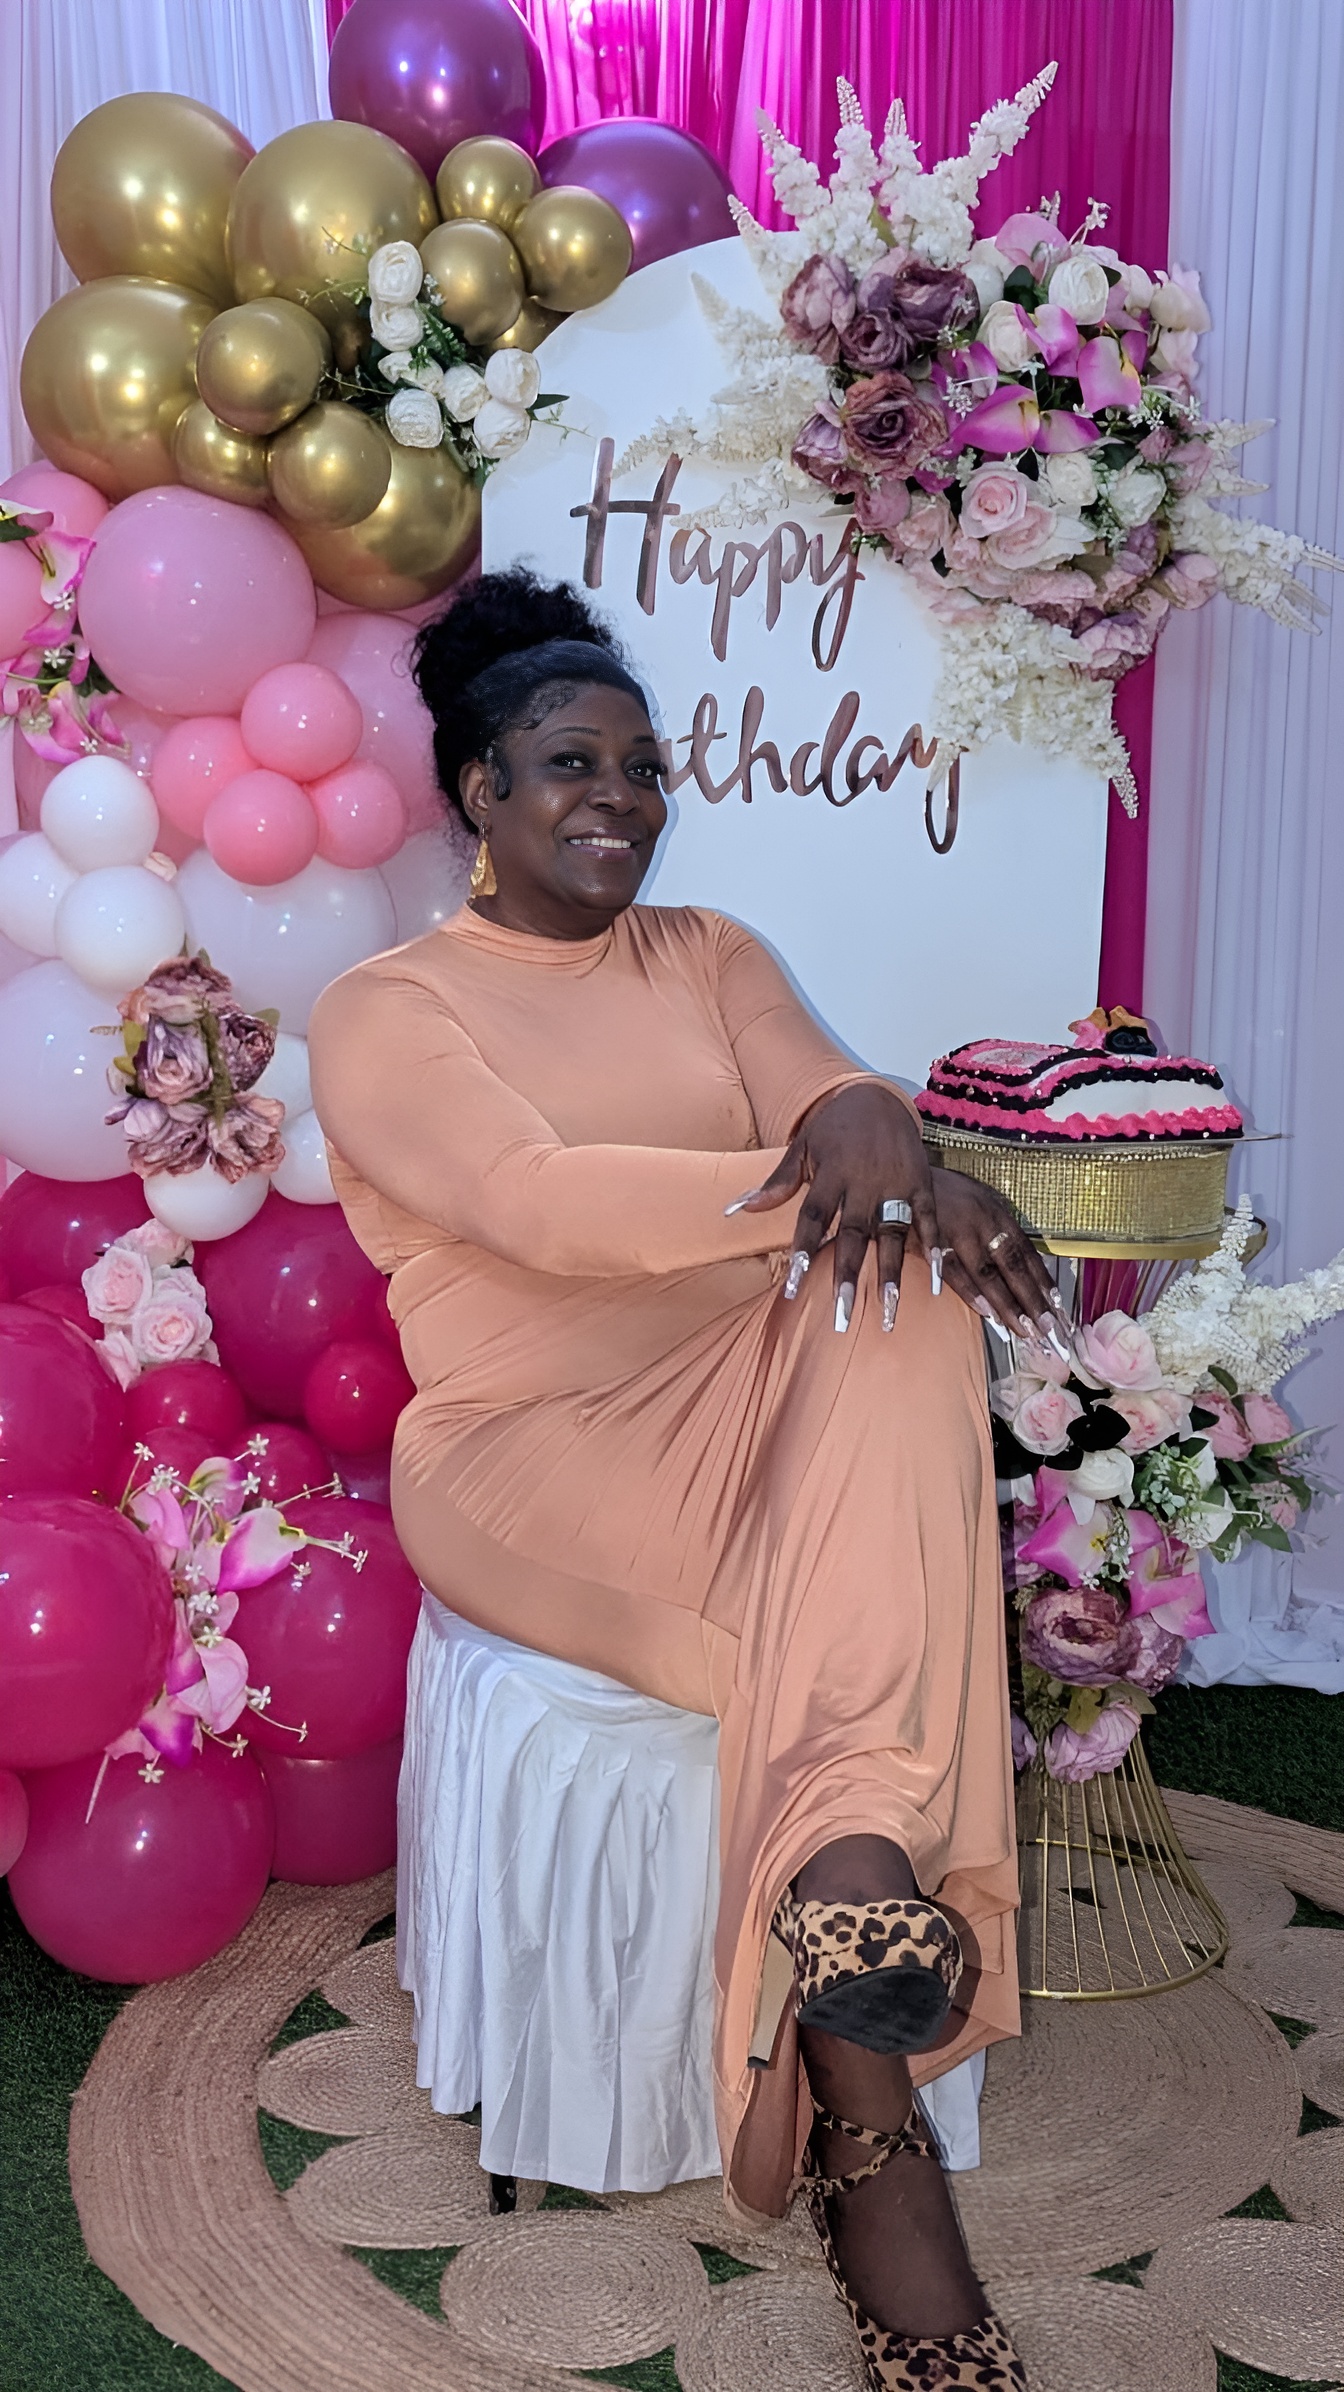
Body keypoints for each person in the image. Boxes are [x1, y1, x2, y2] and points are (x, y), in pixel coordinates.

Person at [309, 568, 1064, 2392]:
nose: (622, 800)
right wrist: (863, 1183)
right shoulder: (387, 1009)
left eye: (646, 769)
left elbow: (831, 1095)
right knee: (882, 1279)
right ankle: (874, 2133)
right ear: (479, 790)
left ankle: (847, 1896)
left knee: (906, 1311)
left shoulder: (711, 951)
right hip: (533, 1447)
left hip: (751, 1391)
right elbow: (541, 1205)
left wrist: (876, 1126)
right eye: (573, 763)